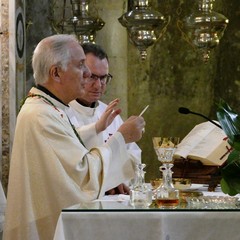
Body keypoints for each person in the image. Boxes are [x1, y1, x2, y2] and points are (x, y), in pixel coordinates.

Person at [3, 34, 145, 240]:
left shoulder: (48, 108)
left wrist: (97, 129)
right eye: (80, 66)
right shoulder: (41, 115)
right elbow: (81, 176)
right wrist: (121, 137)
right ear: (56, 73)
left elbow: (71, 154)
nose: (87, 74)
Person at [67, 43, 142, 195]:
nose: (98, 85)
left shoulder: (110, 113)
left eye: (103, 78)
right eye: (92, 77)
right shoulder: (63, 112)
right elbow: (72, 163)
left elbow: (133, 155)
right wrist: (107, 181)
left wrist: (118, 178)